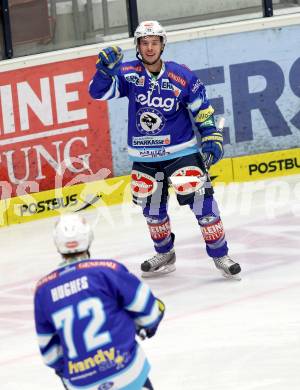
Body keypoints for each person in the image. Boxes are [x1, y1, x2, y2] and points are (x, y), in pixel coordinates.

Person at [89, 20, 241, 280]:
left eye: (154, 42)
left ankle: (220, 255)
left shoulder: (181, 75)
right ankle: (165, 254)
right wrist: (104, 72)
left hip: (181, 153)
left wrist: (211, 136)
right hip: (145, 157)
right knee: (153, 213)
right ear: (137, 46)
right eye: (144, 43)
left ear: (162, 45)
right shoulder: (127, 73)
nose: (149, 48)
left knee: (203, 206)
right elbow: (97, 93)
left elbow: (202, 109)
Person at [33, 213, 165, 390]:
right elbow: (150, 314)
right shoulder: (107, 270)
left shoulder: (43, 290)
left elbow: (50, 356)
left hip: (81, 383)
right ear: (89, 237)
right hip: (127, 374)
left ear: (57, 243)